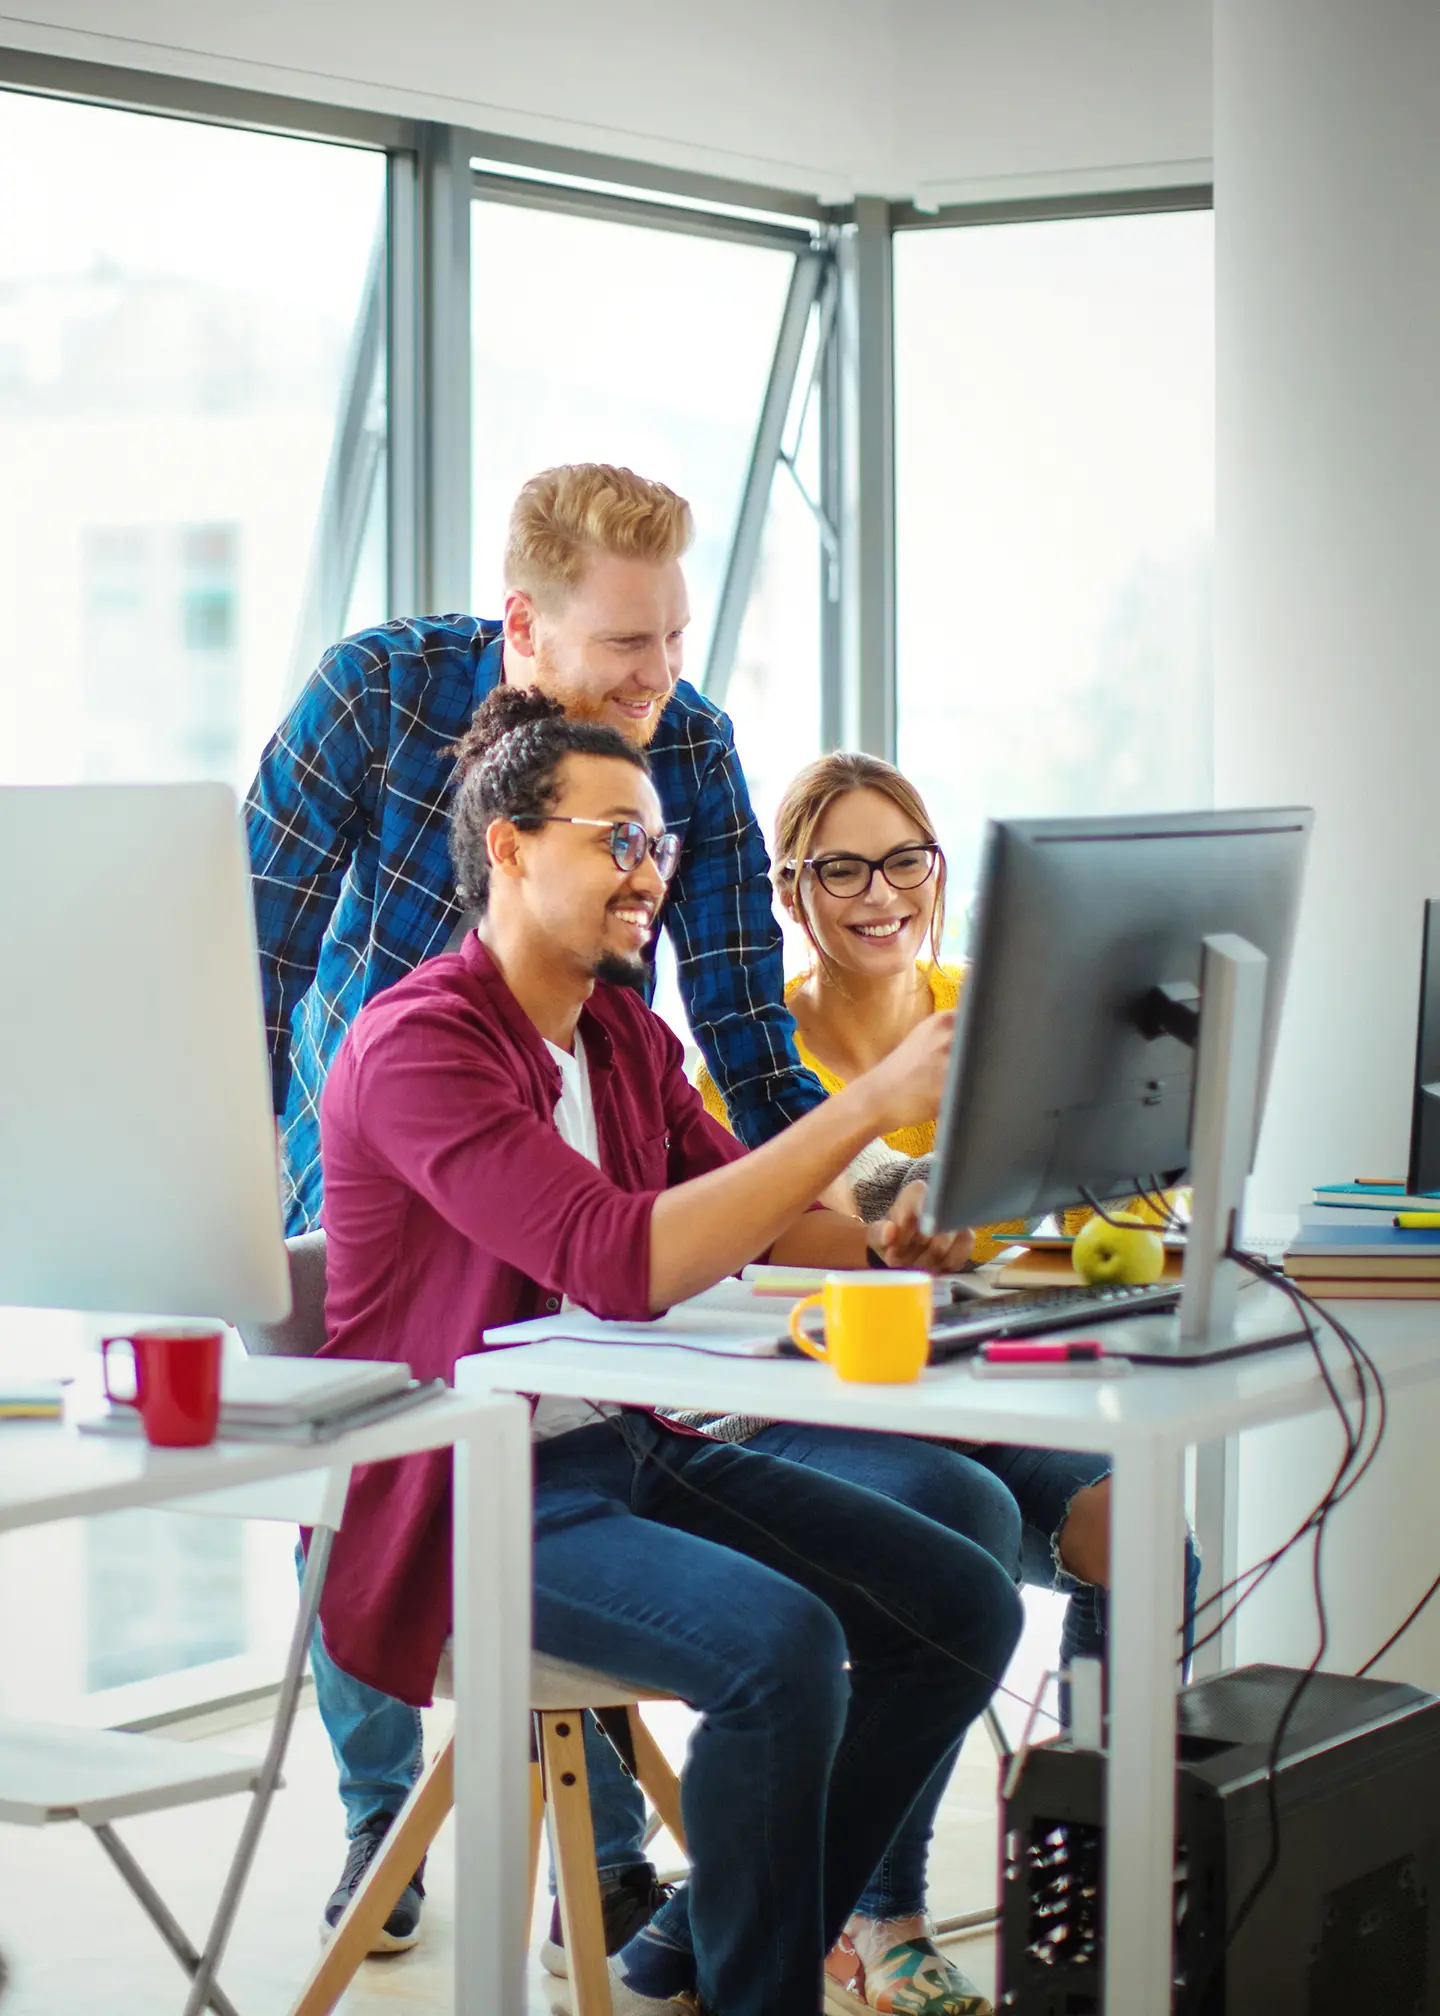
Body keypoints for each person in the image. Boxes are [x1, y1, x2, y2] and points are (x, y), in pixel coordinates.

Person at [245, 463, 1021, 2007]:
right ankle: (421, 1831)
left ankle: (707, 1939)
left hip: (616, 1432)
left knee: (965, 1599)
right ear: (511, 848)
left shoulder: (620, 1035)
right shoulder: (418, 1029)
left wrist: (900, 1228)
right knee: (782, 1645)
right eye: (618, 842)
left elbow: (735, 1145)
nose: (651, 871)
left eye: (657, 844)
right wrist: (871, 1107)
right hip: (471, 1482)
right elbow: (615, 1251)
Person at [696, 751, 1203, 1836]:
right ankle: (883, 1910)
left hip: (976, 1390)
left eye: (904, 861)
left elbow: (1094, 1177)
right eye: (841, 871)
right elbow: (771, 1229)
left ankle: (1088, 1846)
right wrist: (907, 1227)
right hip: (822, 1407)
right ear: (787, 891)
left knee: (1144, 1524)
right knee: (949, 1533)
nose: (882, 895)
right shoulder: (749, 1052)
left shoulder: (992, 1009)